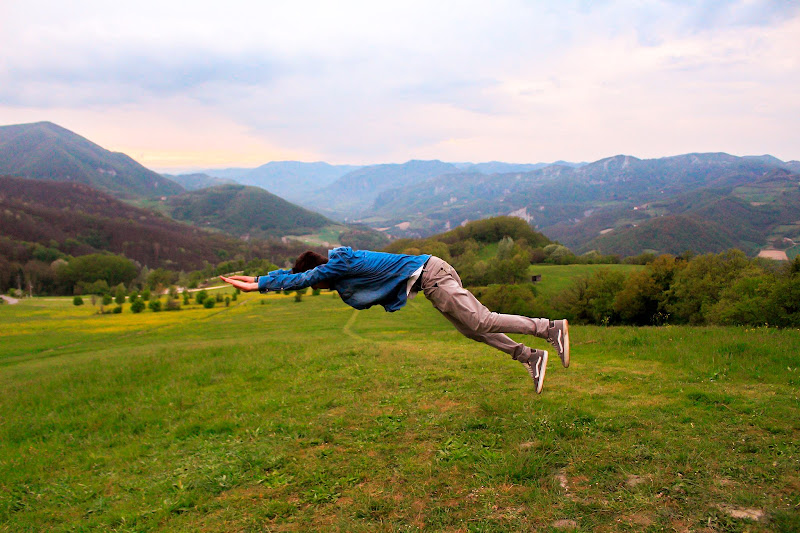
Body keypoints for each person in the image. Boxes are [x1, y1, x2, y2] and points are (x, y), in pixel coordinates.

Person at [220, 247, 569, 393]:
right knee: (473, 331)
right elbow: (297, 275)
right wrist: (257, 280)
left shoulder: (339, 263)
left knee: (482, 321)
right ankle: (531, 356)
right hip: (432, 282)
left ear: (320, 272)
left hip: (433, 276)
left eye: (319, 282)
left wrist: (260, 286)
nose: (321, 287)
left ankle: (548, 328)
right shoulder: (337, 270)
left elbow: (302, 278)